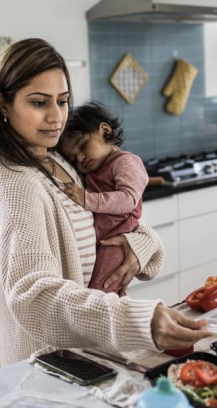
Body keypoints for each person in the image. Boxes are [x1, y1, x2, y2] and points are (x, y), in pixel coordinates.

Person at [0, 38, 210, 366]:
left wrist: (139, 246)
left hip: (84, 359)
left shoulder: (58, 161)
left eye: (62, 101)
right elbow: (34, 296)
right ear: (4, 105)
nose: (56, 117)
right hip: (46, 371)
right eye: (38, 103)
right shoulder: (15, 185)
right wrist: (134, 320)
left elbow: (118, 224)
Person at [58, 102, 148, 295]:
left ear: (104, 130)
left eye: (83, 146)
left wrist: (87, 199)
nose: (81, 159)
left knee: (100, 290)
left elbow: (128, 200)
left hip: (118, 239)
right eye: (74, 159)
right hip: (104, 240)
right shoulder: (94, 170)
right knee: (98, 290)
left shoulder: (126, 162)